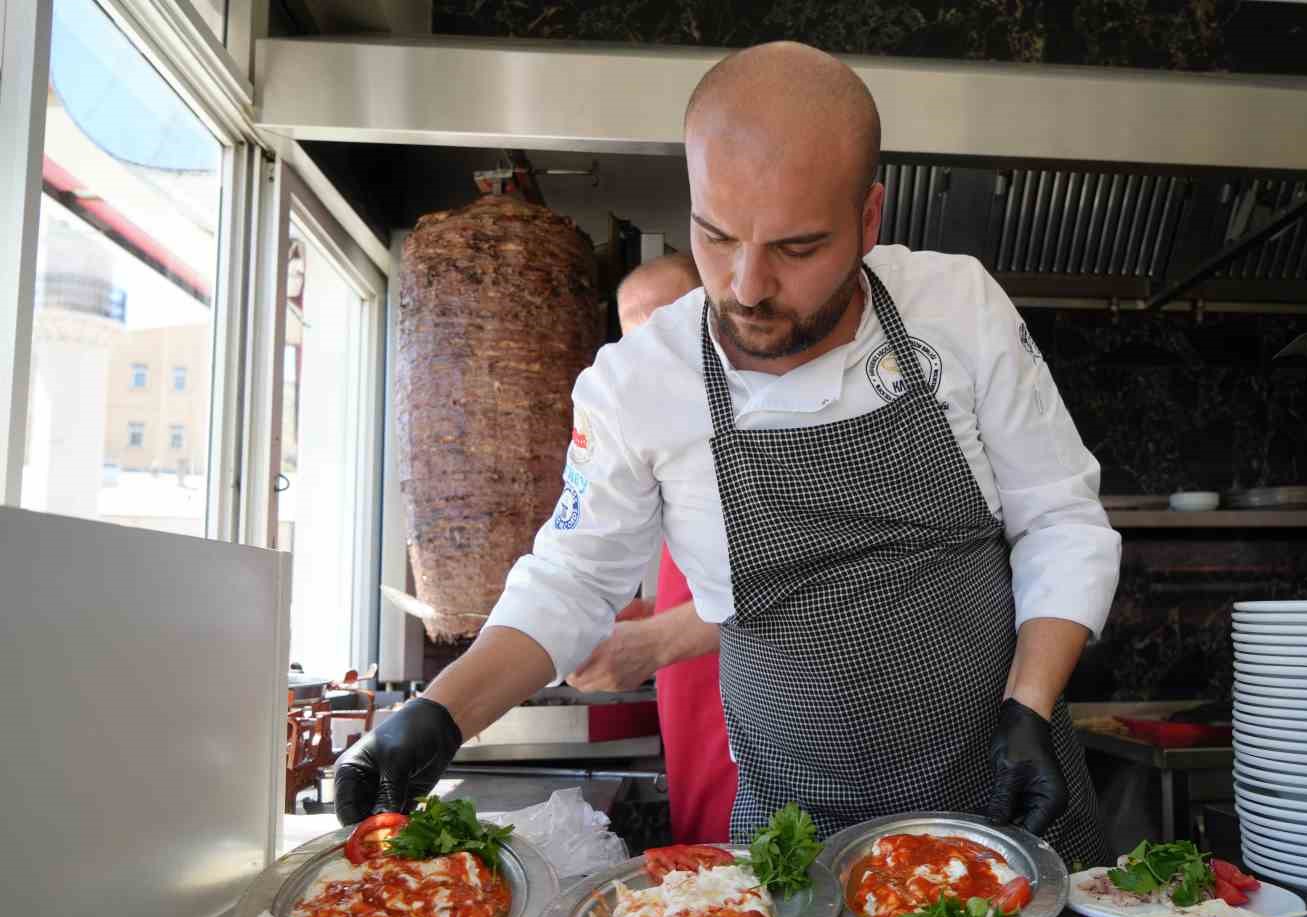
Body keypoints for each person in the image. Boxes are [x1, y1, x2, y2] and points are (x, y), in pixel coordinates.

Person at [337, 42, 1120, 865]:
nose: (747, 287)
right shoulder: (639, 383)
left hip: (1006, 809)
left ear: (869, 219)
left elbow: (1060, 518)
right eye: (716, 237)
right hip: (795, 847)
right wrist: (439, 712)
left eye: (797, 248)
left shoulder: (957, 308)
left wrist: (1031, 705)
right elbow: (570, 581)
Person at [566, 252, 737, 845]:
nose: (652, 351)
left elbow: (800, 584)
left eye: (666, 321)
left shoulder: (756, 420)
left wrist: (655, 640)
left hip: (757, 702)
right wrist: (647, 617)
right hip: (686, 701)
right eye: (634, 336)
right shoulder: (659, 437)